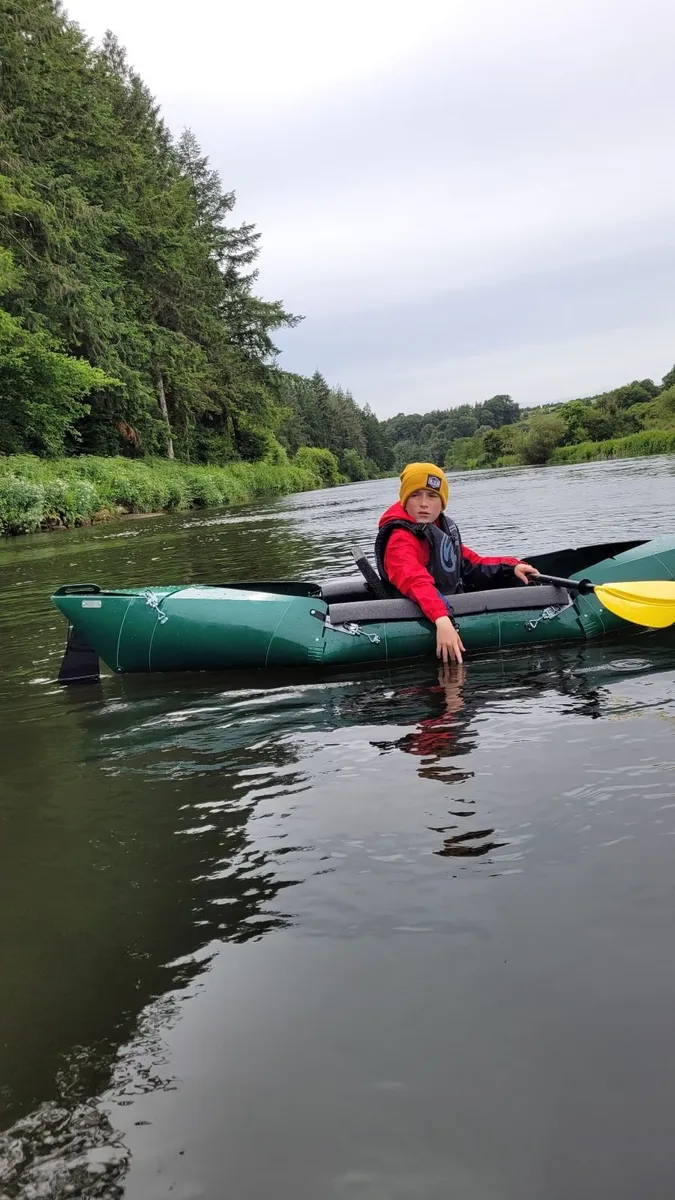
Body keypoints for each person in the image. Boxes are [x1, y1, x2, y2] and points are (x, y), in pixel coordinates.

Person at [376, 462, 538, 666]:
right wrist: (441, 619)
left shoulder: (436, 528)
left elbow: (470, 562)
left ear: (442, 503)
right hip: (417, 608)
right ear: (404, 501)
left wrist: (511, 566)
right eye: (416, 495)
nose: (424, 503)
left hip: (447, 599)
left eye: (432, 496)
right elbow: (414, 581)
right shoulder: (400, 539)